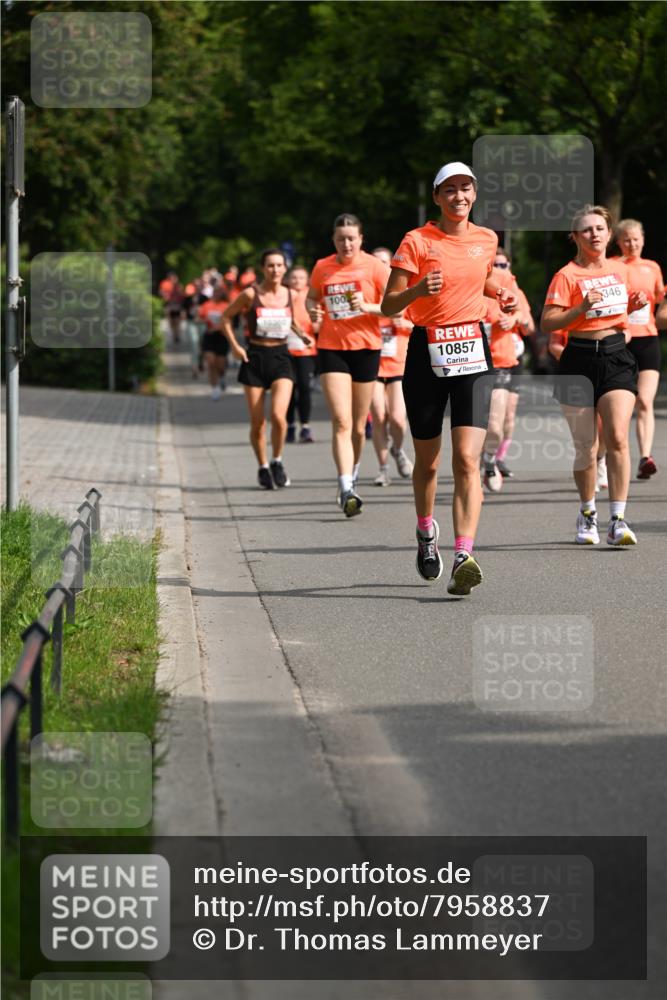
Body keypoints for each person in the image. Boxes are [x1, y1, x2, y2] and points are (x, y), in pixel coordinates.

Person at [381, 162, 517, 596]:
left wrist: (502, 293)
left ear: (474, 195)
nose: (459, 196)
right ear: (437, 197)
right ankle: (426, 531)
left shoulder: (486, 239)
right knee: (430, 462)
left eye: (466, 188)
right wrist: (418, 291)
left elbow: (479, 277)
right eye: (450, 190)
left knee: (466, 460)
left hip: (473, 351)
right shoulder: (417, 241)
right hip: (427, 352)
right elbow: (388, 305)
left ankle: (464, 554)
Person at [541, 204, 648, 546]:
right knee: (586, 446)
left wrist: (632, 305)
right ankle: (588, 512)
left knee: (617, 436)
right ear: (574, 236)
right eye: (587, 230)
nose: (595, 234)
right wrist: (581, 309)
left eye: (600, 228)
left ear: (608, 233)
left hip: (617, 356)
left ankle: (618, 518)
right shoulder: (566, 275)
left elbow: (626, 311)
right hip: (578, 360)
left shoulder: (620, 270)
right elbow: (548, 322)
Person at [307, 214, 390, 516]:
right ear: (334, 240)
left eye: (351, 238)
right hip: (332, 348)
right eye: (341, 238)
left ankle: (352, 471)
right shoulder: (322, 267)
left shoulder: (375, 267)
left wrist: (366, 306)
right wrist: (313, 313)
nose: (346, 244)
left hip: (367, 348)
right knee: (341, 421)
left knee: (358, 425)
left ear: (361, 239)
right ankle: (345, 487)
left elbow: (395, 305)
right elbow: (311, 298)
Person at [221, 249, 312, 489]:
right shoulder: (250, 294)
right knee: (258, 422)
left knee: (279, 418)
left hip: (281, 357)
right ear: (263, 268)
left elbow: (289, 320)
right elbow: (225, 318)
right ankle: (262, 465)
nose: (275, 270)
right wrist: (235, 347)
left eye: (279, 265)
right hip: (255, 358)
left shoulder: (291, 294)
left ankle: (277, 460)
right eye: (270, 265)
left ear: (285, 268)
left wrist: (302, 336)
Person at [614, 219, 665, 479]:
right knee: (620, 408)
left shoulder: (652, 268)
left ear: (643, 239)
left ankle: (645, 457)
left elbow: (661, 302)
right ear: (619, 242)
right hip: (621, 342)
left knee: (645, 401)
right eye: (626, 239)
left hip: (648, 340)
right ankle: (608, 456)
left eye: (635, 239)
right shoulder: (613, 266)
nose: (632, 244)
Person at [369, 247, 413, 487]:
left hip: (398, 364)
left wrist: (403, 323)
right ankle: (383, 469)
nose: (381, 266)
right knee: (378, 416)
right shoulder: (367, 295)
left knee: (397, 419)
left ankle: (397, 449)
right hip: (373, 364)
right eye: (376, 262)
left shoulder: (403, 293)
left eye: (385, 262)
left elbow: (421, 325)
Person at [285, 266, 318, 443]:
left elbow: (319, 322)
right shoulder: (283, 295)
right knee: (288, 389)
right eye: (294, 278)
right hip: (285, 348)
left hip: (307, 349)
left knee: (304, 387)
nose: (297, 281)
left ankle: (305, 426)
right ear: (288, 279)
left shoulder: (311, 296)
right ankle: (289, 425)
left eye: (301, 278)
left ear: (307, 281)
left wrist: (317, 324)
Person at [198, 284, 230, 399]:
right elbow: (199, 318)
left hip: (222, 337)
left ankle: (221, 377)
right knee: (211, 362)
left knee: (220, 364)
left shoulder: (226, 306)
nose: (216, 294)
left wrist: (220, 327)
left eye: (219, 291)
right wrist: (204, 320)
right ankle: (215, 388)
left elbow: (230, 321)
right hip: (209, 336)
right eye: (215, 291)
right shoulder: (207, 305)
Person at [158, 270, 184, 343]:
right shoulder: (165, 283)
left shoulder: (178, 286)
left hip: (177, 306)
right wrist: (164, 295)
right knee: (171, 321)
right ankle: (174, 333)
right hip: (169, 304)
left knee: (177, 321)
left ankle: (177, 335)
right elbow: (161, 291)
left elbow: (182, 295)